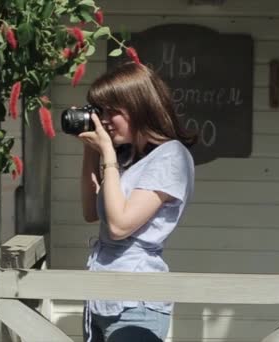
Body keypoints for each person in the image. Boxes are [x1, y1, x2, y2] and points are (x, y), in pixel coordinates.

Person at [76, 62, 196, 342]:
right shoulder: (129, 158)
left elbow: (119, 226)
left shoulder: (171, 156)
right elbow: (90, 212)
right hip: (101, 296)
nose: (103, 121)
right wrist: (90, 152)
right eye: (99, 111)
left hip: (136, 302)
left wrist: (107, 153)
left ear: (140, 108)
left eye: (111, 112)